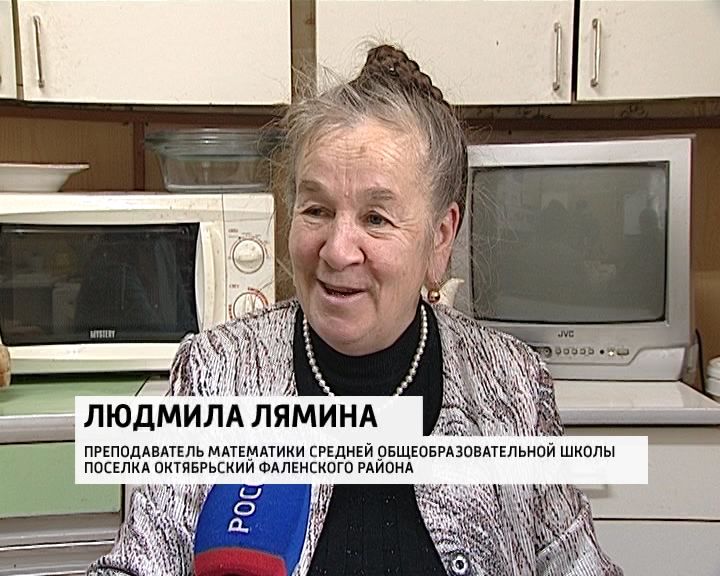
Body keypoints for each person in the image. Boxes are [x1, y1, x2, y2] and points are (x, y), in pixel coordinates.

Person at [88, 44, 621, 576]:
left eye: (376, 219)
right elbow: (137, 563)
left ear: (440, 238)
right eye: (317, 209)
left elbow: (578, 563)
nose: (338, 250)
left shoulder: (513, 383)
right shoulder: (217, 374)